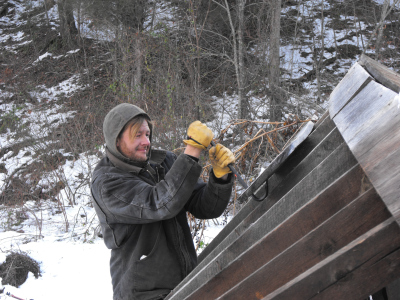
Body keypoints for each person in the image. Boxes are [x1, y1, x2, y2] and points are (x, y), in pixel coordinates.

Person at [91, 103, 235, 300]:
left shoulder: (164, 161)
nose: (146, 142)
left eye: (147, 134)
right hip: (143, 294)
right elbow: (158, 203)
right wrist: (192, 150)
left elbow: (205, 207)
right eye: (137, 135)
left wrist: (220, 178)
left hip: (186, 284)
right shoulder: (107, 183)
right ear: (116, 140)